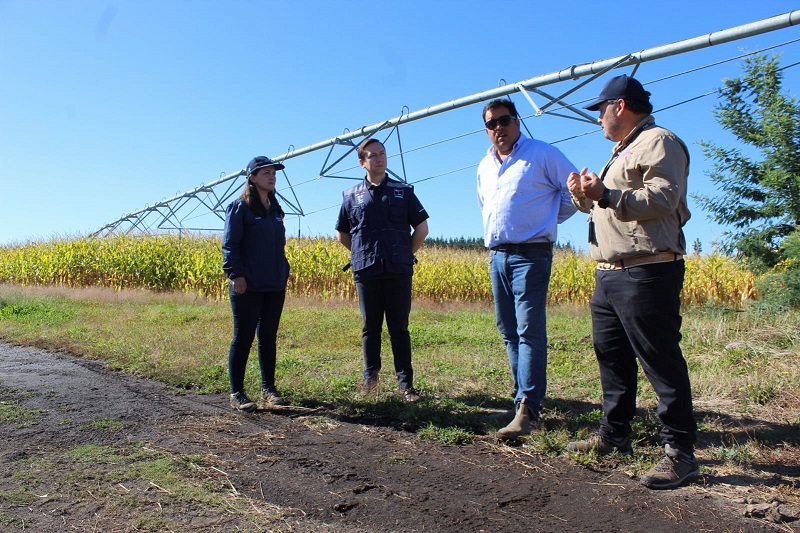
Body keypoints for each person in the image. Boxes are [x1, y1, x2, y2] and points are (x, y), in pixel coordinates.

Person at [565, 74, 698, 490]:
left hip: (647, 270)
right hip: (610, 273)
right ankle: (614, 434)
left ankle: (680, 454)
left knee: (659, 360)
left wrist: (605, 194)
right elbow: (608, 205)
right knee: (613, 360)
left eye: (601, 111)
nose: (599, 120)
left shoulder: (659, 141)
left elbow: (663, 198)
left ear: (619, 106)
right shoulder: (622, 150)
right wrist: (584, 197)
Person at [477, 99, 578, 440]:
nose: (498, 129)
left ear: (517, 122)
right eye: (491, 124)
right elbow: (486, 206)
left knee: (528, 330)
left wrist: (548, 218)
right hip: (498, 256)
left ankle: (528, 409)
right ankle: (521, 397)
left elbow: (573, 191)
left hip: (531, 255)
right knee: (508, 329)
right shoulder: (484, 166)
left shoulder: (541, 153)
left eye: (504, 121)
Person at [336, 138, 429, 402]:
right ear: (362, 162)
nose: (379, 158)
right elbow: (343, 234)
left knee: (399, 327)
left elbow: (422, 229)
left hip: (398, 270)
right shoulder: (351, 196)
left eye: (382, 154)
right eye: (373, 155)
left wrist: (404, 254)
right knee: (370, 327)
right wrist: (360, 253)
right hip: (366, 270)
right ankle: (370, 381)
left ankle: (406, 386)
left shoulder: (403, 191)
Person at [222, 156, 291, 412]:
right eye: (266, 173)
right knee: (243, 337)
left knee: (268, 337)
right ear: (252, 177)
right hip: (247, 285)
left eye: (274, 173)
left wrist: (284, 271)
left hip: (274, 284)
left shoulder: (275, 209)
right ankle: (237, 392)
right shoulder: (239, 208)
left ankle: (268, 389)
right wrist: (236, 275)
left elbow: (278, 247)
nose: (272, 177)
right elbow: (230, 245)